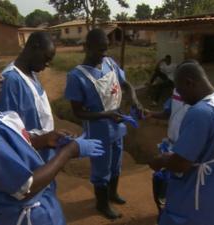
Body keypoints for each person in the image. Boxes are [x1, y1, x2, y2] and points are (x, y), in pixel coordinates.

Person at [0, 34, 105, 225]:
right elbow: (25, 188)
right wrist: (69, 152)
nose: (0, 77)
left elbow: (8, 141)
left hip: (37, 207)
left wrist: (44, 139)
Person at [64, 29, 143, 219]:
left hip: (116, 125)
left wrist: (134, 99)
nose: (104, 54)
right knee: (101, 169)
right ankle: (102, 204)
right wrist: (106, 114)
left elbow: (126, 85)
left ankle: (112, 194)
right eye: (100, 50)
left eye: (106, 49)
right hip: (98, 130)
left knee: (116, 163)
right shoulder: (76, 76)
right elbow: (78, 112)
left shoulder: (110, 63)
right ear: (86, 47)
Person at [149, 60, 214, 225]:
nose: (181, 99)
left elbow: (181, 164)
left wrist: (161, 160)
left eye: (180, 91)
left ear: (189, 83)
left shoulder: (201, 113)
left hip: (196, 199)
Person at [0, 31, 57, 163]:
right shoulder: (10, 81)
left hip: (45, 155)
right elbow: (8, 133)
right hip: (29, 159)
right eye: (46, 58)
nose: (47, 64)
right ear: (34, 47)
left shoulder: (31, 74)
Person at [145, 87, 190, 215]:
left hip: (185, 149)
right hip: (170, 144)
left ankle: (172, 213)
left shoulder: (201, 102)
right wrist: (152, 113)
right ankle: (162, 212)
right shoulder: (177, 90)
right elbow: (168, 112)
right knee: (160, 181)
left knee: (176, 186)